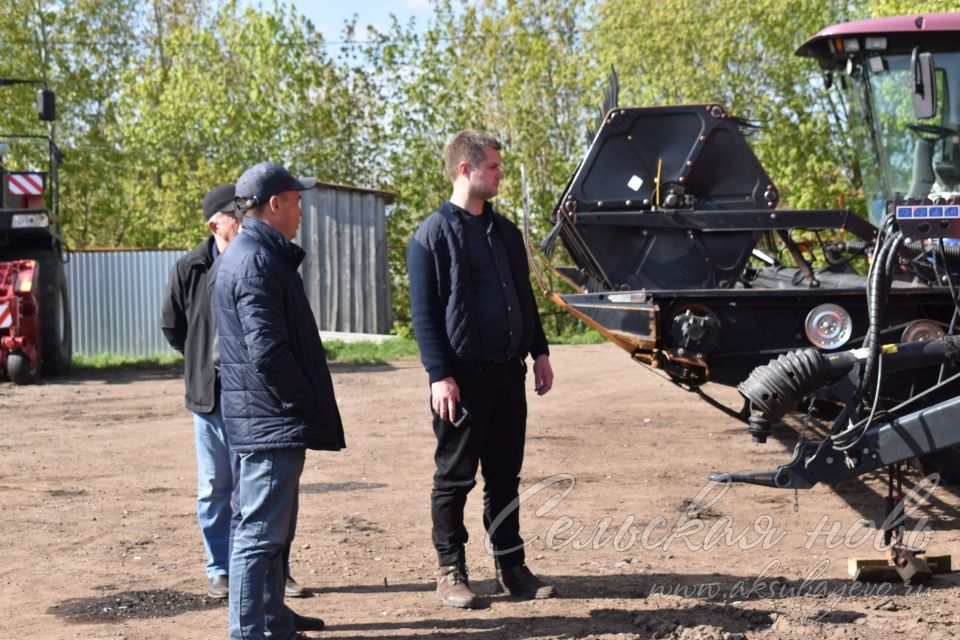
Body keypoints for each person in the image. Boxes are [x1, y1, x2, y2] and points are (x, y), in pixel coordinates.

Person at [406, 129, 556, 609]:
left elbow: (524, 295)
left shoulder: (504, 231)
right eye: (492, 166)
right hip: (461, 381)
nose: (499, 174)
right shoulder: (431, 235)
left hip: (507, 374)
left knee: (506, 476)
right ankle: (450, 571)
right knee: (454, 478)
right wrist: (438, 374)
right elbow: (424, 313)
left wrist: (540, 351)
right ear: (464, 170)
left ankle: (512, 567)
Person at [161, 185, 320, 632]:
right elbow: (175, 327)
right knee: (223, 493)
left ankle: (273, 605)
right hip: (219, 401)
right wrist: (302, 399)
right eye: (234, 213)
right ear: (217, 223)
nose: (241, 218)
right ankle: (224, 576)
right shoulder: (199, 266)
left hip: (250, 401)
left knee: (264, 506)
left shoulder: (255, 259)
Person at [211, 162, 345, 640]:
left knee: (271, 533)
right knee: (258, 536)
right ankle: (249, 632)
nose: (302, 210)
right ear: (275, 205)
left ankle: (272, 619)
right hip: (271, 422)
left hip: (267, 420)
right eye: (297, 200)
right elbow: (267, 353)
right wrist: (305, 401)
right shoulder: (254, 261)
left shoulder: (255, 255)